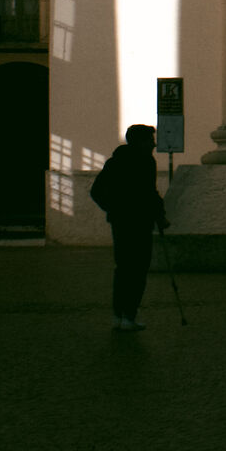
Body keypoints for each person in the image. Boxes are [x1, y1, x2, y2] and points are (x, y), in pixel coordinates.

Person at [89, 124, 169, 332]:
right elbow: (150, 193)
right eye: (150, 139)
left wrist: (114, 210)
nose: (154, 143)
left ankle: (119, 314)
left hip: (121, 223)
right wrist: (158, 215)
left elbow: (97, 191)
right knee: (138, 269)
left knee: (123, 268)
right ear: (140, 141)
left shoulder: (116, 161)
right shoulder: (145, 162)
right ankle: (129, 315)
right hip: (138, 222)